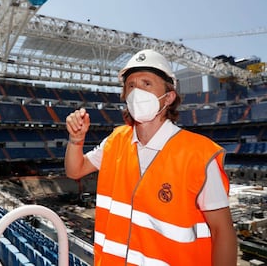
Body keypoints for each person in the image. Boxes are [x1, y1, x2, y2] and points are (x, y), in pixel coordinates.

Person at [64, 49, 237, 266]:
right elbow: (75, 170)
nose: (137, 92)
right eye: (131, 86)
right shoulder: (116, 140)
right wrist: (76, 140)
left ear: (169, 97)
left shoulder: (199, 154)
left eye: (147, 83)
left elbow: (223, 232)